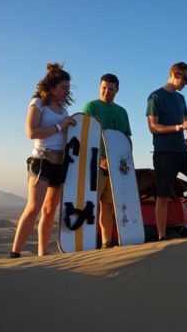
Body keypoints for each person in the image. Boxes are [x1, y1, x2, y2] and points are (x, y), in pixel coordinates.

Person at [10, 63, 77, 258]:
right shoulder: (38, 103)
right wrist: (60, 126)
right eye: (64, 87)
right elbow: (31, 132)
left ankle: (43, 253)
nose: (67, 91)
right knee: (33, 207)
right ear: (53, 86)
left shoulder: (63, 111)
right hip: (41, 160)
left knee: (49, 210)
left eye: (68, 88)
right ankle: (15, 253)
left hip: (60, 162)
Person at [146, 62, 187, 240]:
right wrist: (180, 127)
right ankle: (161, 236)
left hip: (182, 151)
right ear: (175, 74)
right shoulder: (155, 97)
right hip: (164, 153)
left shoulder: (181, 99)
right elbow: (153, 127)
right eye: (186, 78)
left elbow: (186, 119)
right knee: (163, 194)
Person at [83, 73, 132, 249]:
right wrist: (101, 160)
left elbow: (126, 137)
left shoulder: (122, 112)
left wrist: (126, 160)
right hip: (95, 164)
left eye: (110, 89)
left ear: (117, 90)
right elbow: (85, 136)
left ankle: (106, 242)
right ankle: (86, 242)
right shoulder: (91, 107)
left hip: (117, 167)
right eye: (103, 87)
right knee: (90, 204)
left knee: (109, 206)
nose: (106, 91)